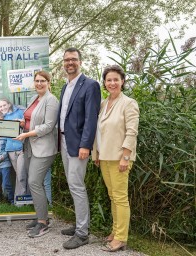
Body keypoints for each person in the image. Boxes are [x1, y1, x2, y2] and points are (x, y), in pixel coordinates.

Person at [92, 65, 139, 252]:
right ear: (104, 83)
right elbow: (98, 131)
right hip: (105, 157)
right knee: (112, 196)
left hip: (120, 157)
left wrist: (126, 156)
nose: (112, 83)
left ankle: (121, 238)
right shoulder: (103, 104)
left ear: (122, 81)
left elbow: (132, 131)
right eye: (109, 80)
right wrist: (96, 153)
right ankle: (115, 231)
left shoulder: (129, 103)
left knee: (120, 198)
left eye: (116, 80)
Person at [59, 48, 101, 249]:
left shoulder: (90, 85)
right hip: (64, 142)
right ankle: (79, 224)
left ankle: (82, 233)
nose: (70, 63)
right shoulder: (65, 86)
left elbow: (91, 118)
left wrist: (86, 145)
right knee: (72, 184)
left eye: (73, 59)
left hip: (78, 145)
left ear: (80, 62)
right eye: (67, 60)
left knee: (77, 185)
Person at [15, 71, 59, 238]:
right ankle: (41, 216)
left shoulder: (51, 100)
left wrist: (26, 134)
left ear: (48, 82)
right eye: (37, 81)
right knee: (34, 183)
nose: (39, 83)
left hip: (44, 149)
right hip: (30, 147)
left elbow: (48, 126)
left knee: (34, 182)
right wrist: (22, 123)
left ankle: (43, 223)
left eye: (42, 81)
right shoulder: (35, 98)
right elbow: (31, 120)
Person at [0, 98, 28, 198]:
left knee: (21, 175)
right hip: (10, 149)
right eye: (0, 106)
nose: (2, 108)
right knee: (18, 175)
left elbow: (26, 126)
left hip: (21, 148)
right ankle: (22, 198)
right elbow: (4, 137)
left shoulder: (19, 112)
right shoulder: (3, 118)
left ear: (9, 104)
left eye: (4, 105)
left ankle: (20, 199)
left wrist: (21, 123)